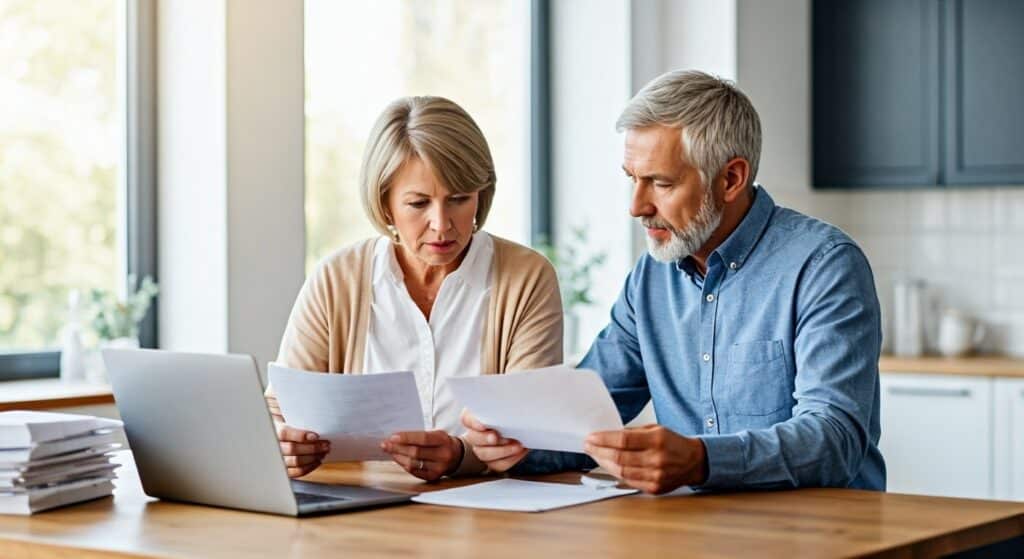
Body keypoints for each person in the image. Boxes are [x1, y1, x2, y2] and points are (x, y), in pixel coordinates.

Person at [461, 69, 886, 494]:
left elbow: (835, 439)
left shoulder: (823, 265)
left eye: (661, 183)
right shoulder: (651, 278)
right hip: (694, 531)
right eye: (632, 178)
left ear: (731, 179)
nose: (636, 206)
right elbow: (584, 422)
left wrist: (701, 461)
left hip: (823, 534)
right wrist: (499, 445)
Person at [267, 96, 563, 481]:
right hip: (357, 507)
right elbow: (280, 410)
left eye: (459, 199)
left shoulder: (526, 277)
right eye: (418, 203)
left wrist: (460, 455)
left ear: (480, 194)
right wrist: (285, 444)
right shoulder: (337, 278)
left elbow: (530, 428)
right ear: (385, 204)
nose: (441, 224)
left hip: (485, 513)